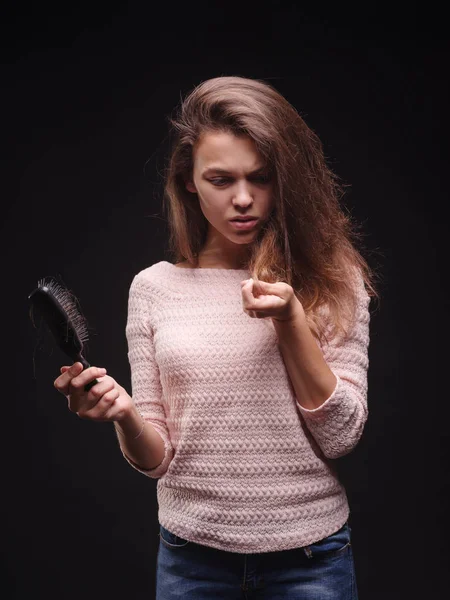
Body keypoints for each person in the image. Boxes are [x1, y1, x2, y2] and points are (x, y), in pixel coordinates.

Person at [54, 75, 379, 599]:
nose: (244, 199)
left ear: (285, 179)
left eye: (262, 177)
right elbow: (157, 459)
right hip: (192, 562)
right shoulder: (154, 289)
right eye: (221, 180)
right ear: (189, 180)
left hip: (310, 561)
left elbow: (341, 435)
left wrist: (291, 319)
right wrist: (123, 414)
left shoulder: (331, 277)